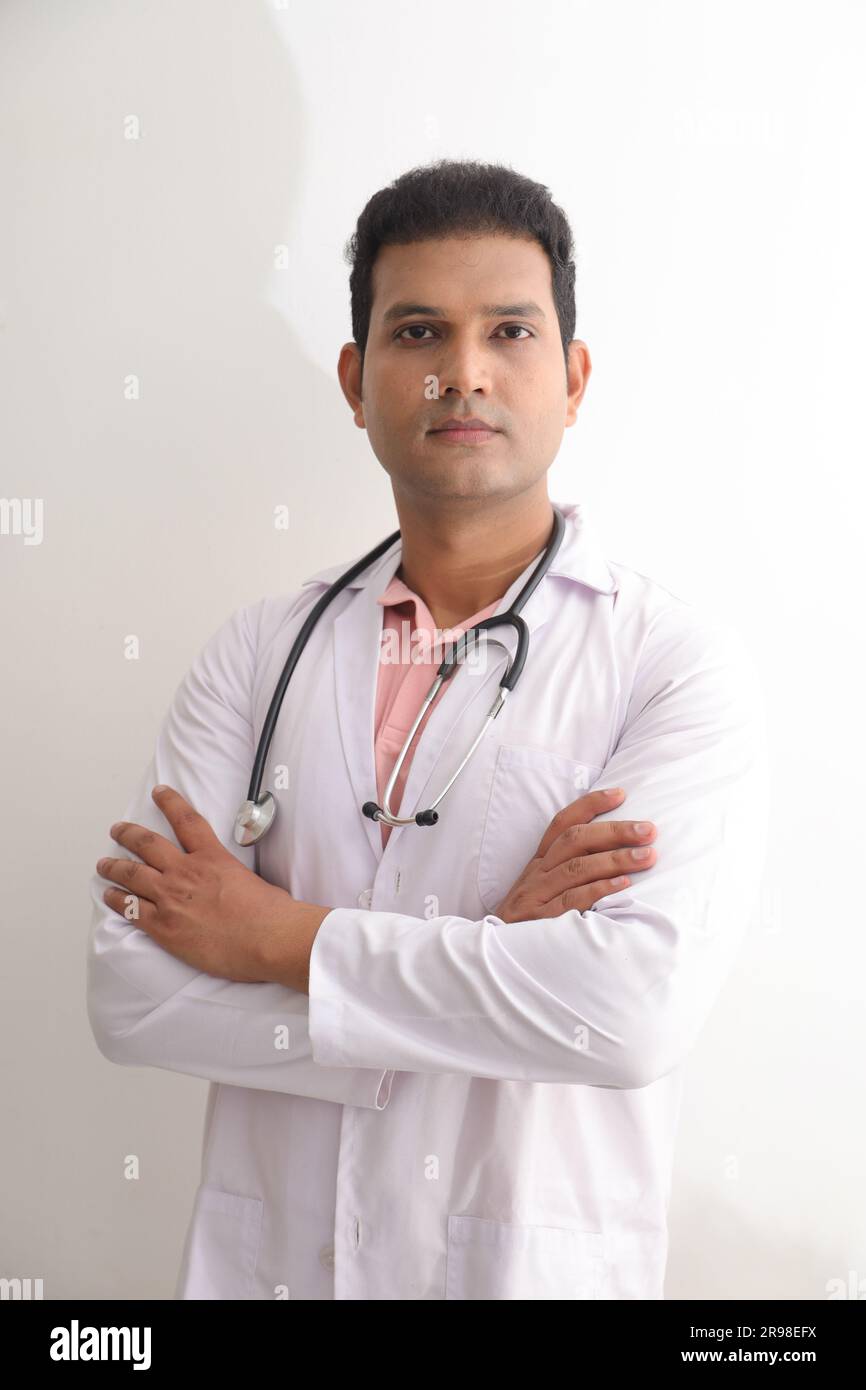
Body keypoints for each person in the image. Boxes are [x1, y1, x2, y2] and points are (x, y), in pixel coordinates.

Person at [86, 159, 769, 1300]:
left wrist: (276, 938)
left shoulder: (668, 663)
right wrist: (499, 948)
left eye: (509, 329)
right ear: (356, 382)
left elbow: (625, 1015)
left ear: (573, 375)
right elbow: (135, 998)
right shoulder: (259, 653)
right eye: (417, 333)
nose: (462, 371)